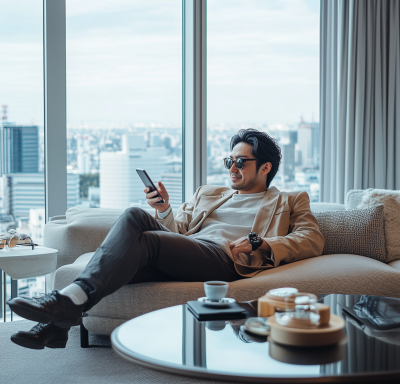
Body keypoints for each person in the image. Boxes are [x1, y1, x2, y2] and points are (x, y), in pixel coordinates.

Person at [8, 128, 324, 349]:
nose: (232, 168)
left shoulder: (290, 199)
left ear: (266, 167)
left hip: (224, 259)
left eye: (241, 162)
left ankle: (63, 308)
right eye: (229, 161)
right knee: (134, 228)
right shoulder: (209, 193)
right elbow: (178, 230)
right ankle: (59, 326)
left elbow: (311, 238)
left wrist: (261, 243)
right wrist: (163, 209)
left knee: (139, 233)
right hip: (189, 251)